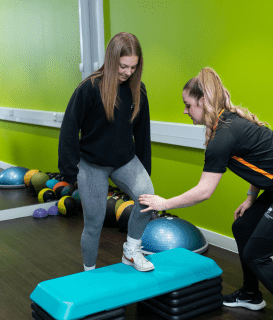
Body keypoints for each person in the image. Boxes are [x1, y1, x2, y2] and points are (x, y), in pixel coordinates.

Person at [138, 67, 273, 320]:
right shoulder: (227, 123)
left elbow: (204, 191)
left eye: (187, 104)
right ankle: (250, 295)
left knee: (256, 255)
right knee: (243, 228)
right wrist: (250, 196)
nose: (185, 111)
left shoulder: (223, 136)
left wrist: (165, 202)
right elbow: (262, 162)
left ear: (202, 101)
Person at [58, 32, 155, 272]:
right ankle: (89, 272)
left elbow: (143, 134)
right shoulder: (89, 88)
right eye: (123, 66)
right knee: (94, 222)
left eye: (133, 67)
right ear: (112, 60)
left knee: (148, 199)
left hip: (125, 160)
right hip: (92, 164)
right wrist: (69, 172)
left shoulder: (138, 90)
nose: (128, 72)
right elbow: (69, 128)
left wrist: (145, 171)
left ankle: (132, 251)